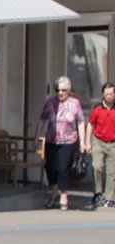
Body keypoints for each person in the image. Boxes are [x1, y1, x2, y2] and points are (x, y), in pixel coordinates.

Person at [35, 75, 89, 211]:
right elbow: (42, 119)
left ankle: (64, 195)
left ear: (68, 90)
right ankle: (55, 193)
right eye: (58, 90)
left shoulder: (74, 103)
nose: (60, 93)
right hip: (52, 140)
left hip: (68, 141)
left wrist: (82, 142)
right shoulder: (50, 103)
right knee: (50, 167)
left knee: (63, 167)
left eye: (63, 90)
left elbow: (80, 122)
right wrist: (37, 136)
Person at [88, 82, 115, 209]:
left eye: (111, 94)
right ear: (103, 95)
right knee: (97, 167)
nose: (109, 96)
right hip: (98, 141)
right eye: (107, 94)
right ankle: (98, 193)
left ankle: (110, 198)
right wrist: (87, 142)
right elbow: (90, 124)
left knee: (111, 173)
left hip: (113, 143)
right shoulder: (97, 108)